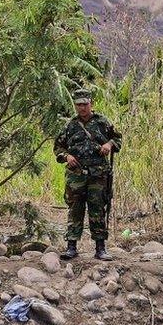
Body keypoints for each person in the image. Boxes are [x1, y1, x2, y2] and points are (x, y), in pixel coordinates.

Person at [54, 88, 121, 261]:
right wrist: (67, 156)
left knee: (97, 209)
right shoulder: (70, 125)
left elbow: (118, 139)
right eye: (78, 105)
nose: (82, 108)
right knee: (75, 210)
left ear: (91, 104)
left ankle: (100, 248)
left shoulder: (102, 122)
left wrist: (109, 144)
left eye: (85, 104)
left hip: (98, 175)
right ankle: (71, 247)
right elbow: (58, 148)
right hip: (76, 175)